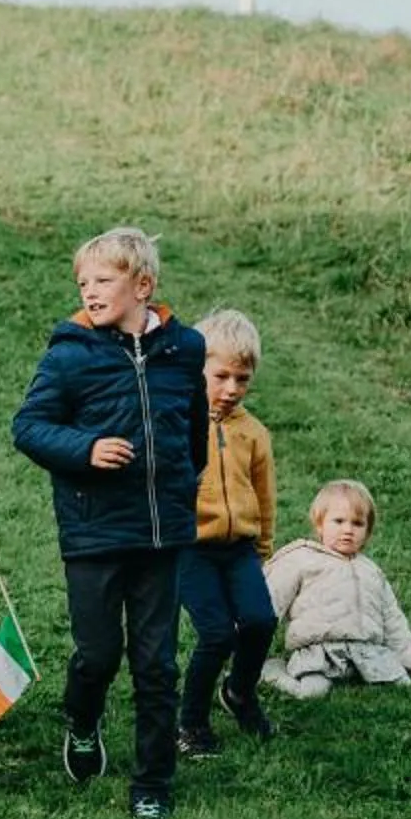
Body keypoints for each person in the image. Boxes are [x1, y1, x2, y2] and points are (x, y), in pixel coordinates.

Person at [9, 227, 207, 819]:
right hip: (94, 532)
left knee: (157, 663)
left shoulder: (186, 349)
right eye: (82, 283)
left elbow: (193, 430)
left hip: (162, 536)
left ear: (142, 285)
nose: (89, 292)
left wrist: (181, 486)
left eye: (103, 281)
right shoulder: (71, 354)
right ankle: (83, 718)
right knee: (97, 653)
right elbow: (29, 427)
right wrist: (86, 449)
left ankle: (152, 782)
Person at [176, 309, 279, 758]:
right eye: (221, 376)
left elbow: (264, 494)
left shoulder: (254, 433)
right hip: (190, 550)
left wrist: (263, 548)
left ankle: (239, 691)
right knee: (217, 635)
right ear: (198, 370)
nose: (231, 388)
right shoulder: (179, 422)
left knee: (260, 621)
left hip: (240, 550)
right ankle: (191, 724)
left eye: (242, 378)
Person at [262, 479, 411, 697]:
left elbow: (392, 618)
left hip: (366, 652)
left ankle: (363, 673)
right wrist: (245, 642)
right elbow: (271, 600)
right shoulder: (302, 560)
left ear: (367, 532)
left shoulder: (370, 571)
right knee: (312, 692)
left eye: (357, 523)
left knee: (402, 685)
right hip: (320, 652)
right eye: (338, 521)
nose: (348, 530)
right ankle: (270, 671)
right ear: (320, 524)